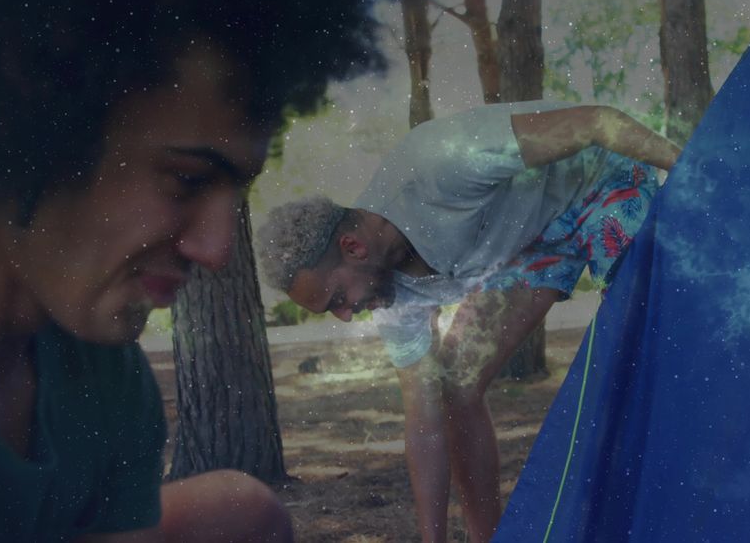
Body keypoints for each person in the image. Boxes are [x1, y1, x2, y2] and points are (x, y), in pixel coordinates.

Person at [0, 0, 382, 541]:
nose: (216, 250)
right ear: (32, 134)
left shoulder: (106, 380)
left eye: (234, 193)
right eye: (186, 180)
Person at [255, 100, 681, 542]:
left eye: (338, 299)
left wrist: (695, 173)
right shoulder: (388, 295)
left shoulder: (438, 163)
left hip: (600, 180)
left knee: (640, 341)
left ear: (354, 247)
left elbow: (597, 122)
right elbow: (424, 421)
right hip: (535, 241)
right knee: (455, 386)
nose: (346, 316)